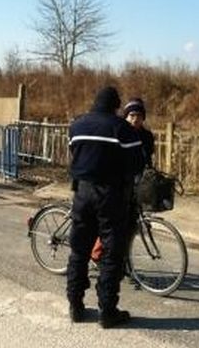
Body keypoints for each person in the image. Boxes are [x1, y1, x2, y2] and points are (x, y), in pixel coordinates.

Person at [67, 86, 144, 328]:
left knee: (79, 251)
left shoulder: (77, 125)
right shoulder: (120, 128)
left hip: (82, 192)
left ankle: (75, 307)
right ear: (115, 105)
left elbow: (74, 153)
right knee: (112, 254)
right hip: (110, 195)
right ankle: (107, 311)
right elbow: (137, 163)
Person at [90, 97, 154, 263]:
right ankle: (97, 254)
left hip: (135, 184)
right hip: (114, 181)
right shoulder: (118, 131)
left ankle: (122, 260)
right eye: (131, 115)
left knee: (131, 225)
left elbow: (147, 159)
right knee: (110, 220)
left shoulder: (147, 136)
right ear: (125, 116)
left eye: (139, 116)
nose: (135, 119)